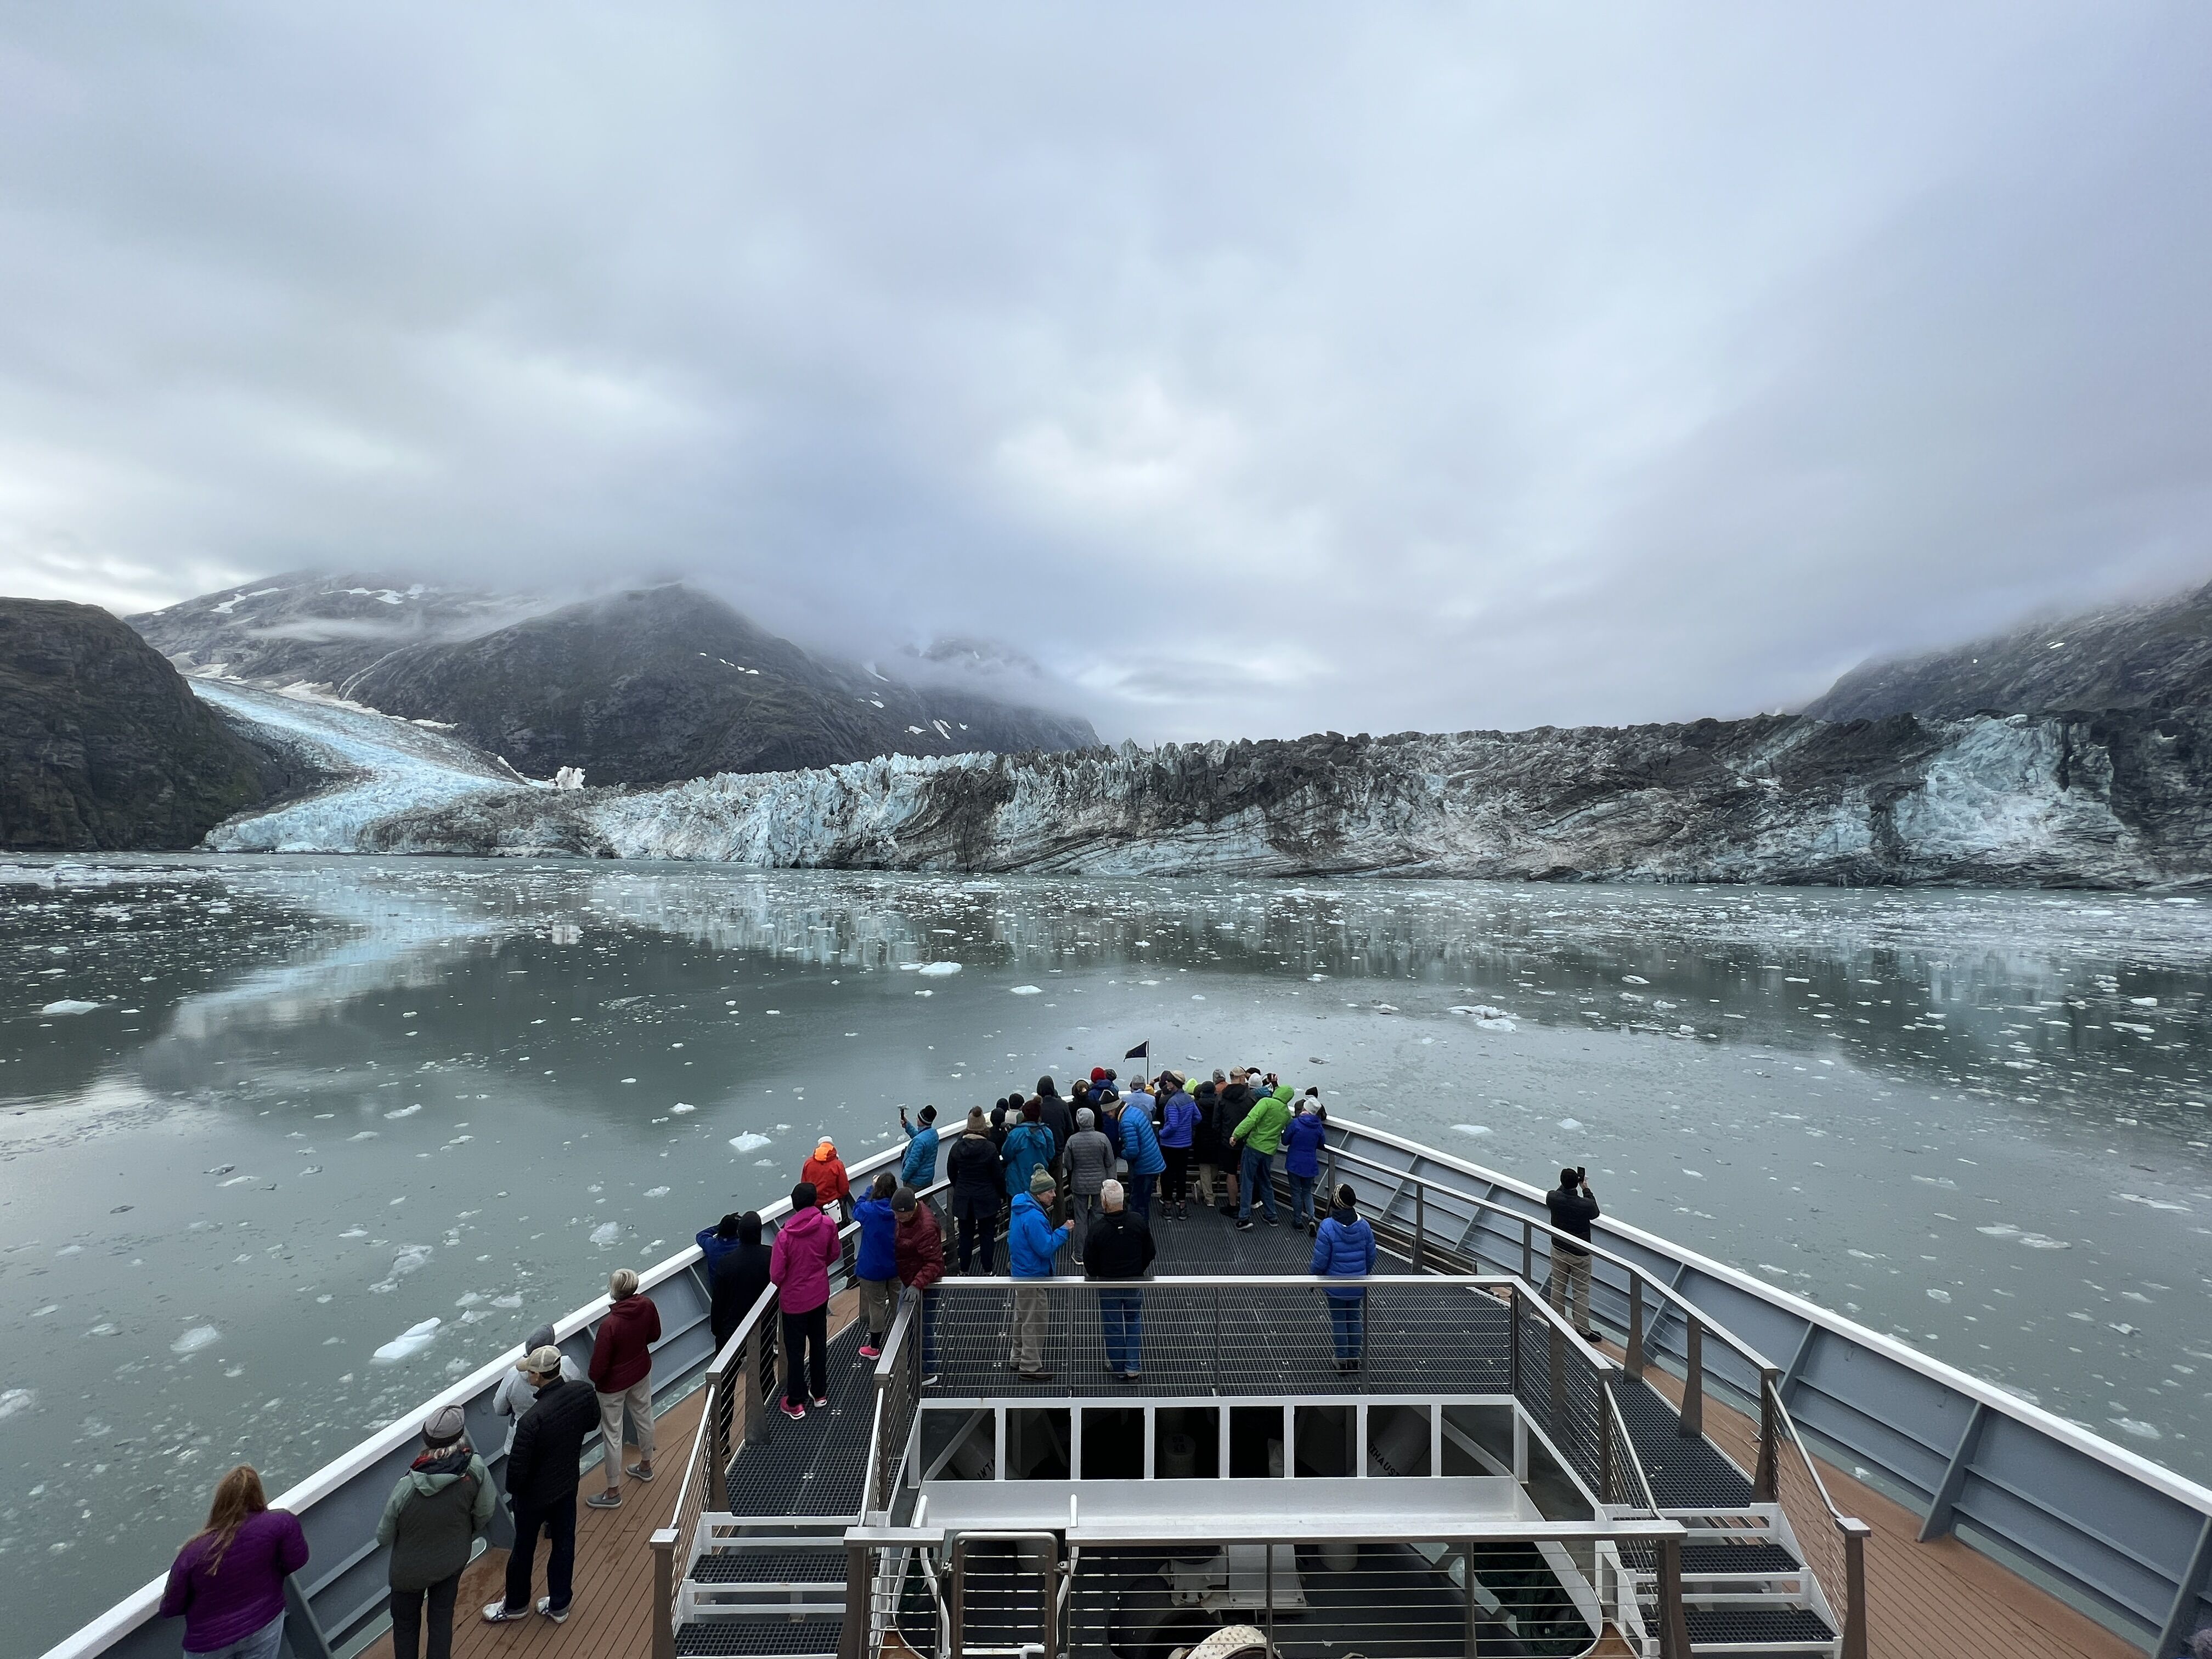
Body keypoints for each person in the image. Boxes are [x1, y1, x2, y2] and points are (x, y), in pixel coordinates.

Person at [485, 1344, 597, 1624]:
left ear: (537, 1376)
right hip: (567, 1483)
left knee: (523, 1550)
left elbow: (516, 1476)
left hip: (533, 1496)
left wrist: (519, 1492)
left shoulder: (531, 1421)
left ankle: (515, 1605)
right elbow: (592, 1423)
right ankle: (559, 1604)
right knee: (564, 1543)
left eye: (530, 1372)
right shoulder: (582, 1392)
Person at [377, 1406, 493, 1659]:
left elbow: (383, 1536)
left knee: (406, 1626)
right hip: (452, 1561)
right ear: (461, 1436)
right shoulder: (474, 1467)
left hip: (409, 1572)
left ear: (426, 1440)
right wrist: (464, 1532)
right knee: (441, 1619)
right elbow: (485, 1511)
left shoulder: (407, 1487)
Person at [160, 1466, 309, 1659]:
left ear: (220, 1501)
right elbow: (296, 1561)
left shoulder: (193, 1552)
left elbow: (171, 1607)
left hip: (209, 1642)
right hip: (264, 1621)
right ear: (258, 1492)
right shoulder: (281, 1523)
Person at [585, 1267, 660, 1508]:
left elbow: (598, 1368)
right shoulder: (647, 1305)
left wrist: (597, 1380)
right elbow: (655, 1335)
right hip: (640, 1371)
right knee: (644, 1416)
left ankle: (613, 1491)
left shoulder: (610, 1325)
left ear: (614, 1291)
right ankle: (646, 1465)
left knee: (613, 1434)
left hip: (613, 1387)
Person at [769, 1181, 840, 1417]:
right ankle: (820, 1393)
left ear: (794, 1204)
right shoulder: (827, 1224)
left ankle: (796, 1401)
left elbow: (776, 1275)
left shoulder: (784, 1237)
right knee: (819, 1344)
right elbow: (834, 1253)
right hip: (819, 1295)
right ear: (815, 1201)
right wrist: (817, 1269)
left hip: (794, 1302)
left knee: (795, 1351)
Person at [1084, 1178, 1156, 1380]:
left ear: (1104, 1202)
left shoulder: (1097, 1229)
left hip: (1108, 1283)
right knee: (1134, 1318)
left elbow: (1089, 1261)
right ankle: (1132, 1365)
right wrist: (1138, 1269)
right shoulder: (1138, 1222)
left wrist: (1098, 1274)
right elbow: (1150, 1252)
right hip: (1134, 1281)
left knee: (1113, 1323)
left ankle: (1118, 1367)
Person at [1007, 1168, 1071, 1380]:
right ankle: (1030, 1366)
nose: (1054, 1195)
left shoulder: (1021, 1206)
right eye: (1050, 1191)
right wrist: (1064, 1231)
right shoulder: (1034, 1217)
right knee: (1034, 1320)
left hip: (1021, 1272)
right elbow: (1045, 1247)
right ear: (1039, 1193)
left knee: (1022, 1317)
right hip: (1033, 1275)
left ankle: (1017, 1357)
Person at [1312, 1185, 1377, 1372]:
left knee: (1339, 1320)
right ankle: (1354, 1358)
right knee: (1354, 1318)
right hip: (1358, 1283)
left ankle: (1341, 1360)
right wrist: (1363, 1273)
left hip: (1336, 1285)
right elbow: (1371, 1255)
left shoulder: (1327, 1227)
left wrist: (1314, 1278)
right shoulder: (1364, 1226)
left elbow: (1320, 1259)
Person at [491, 1323, 582, 1455]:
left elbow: (499, 1409)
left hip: (524, 1440)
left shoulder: (513, 1375)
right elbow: (578, 1390)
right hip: (561, 1432)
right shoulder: (565, 1365)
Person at [893, 1183, 945, 1384]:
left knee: (924, 1327)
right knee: (906, 1324)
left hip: (921, 1283)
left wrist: (917, 1284)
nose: (897, 1219)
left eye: (900, 1215)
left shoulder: (926, 1228)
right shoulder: (911, 1218)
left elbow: (934, 1262)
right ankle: (910, 1363)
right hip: (911, 1278)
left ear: (909, 1211)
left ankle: (927, 1370)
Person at [1545, 1167, 1603, 1342]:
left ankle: (1556, 1322)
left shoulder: (1552, 1198)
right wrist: (1585, 1188)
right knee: (1581, 1292)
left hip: (1559, 1249)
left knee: (1558, 1286)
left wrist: (1567, 1185)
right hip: (1580, 1254)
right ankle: (1582, 1329)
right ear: (1577, 1182)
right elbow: (1595, 1212)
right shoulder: (1585, 1204)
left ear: (1561, 1182)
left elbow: (1558, 1193)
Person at [946, 1107, 1006, 1274]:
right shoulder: (990, 1148)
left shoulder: (957, 1148)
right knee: (987, 1235)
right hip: (986, 1198)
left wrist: (960, 1187)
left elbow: (951, 1173)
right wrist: (1001, 1194)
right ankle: (988, 1270)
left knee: (965, 1235)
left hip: (964, 1198)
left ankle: (964, 1270)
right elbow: (998, 1176)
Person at [708, 1214, 774, 1355]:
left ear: (740, 1233)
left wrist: (716, 1329)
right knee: (765, 1365)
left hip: (733, 1330)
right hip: (765, 1323)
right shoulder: (772, 1255)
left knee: (728, 1368)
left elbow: (718, 1301)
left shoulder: (726, 1263)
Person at [1231, 1081, 1292, 1229]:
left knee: (1247, 1181)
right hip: (1269, 1152)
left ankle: (1244, 1217)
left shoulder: (1266, 1102)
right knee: (1266, 1182)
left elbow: (1252, 1119)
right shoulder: (1286, 1113)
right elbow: (1287, 1132)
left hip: (1253, 1147)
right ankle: (1272, 1216)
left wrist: (1236, 1135)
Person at [855, 1171, 900, 1359]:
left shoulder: (869, 1210)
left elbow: (857, 1208)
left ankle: (874, 1348)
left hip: (872, 1268)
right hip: (896, 1265)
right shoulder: (899, 1210)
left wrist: (870, 1189)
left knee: (877, 1306)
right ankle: (904, 1338)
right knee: (899, 1302)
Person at [1062, 1105, 1115, 1261]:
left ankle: (1080, 1254)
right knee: (1099, 1216)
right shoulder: (1102, 1138)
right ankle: (1099, 1252)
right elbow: (1110, 1162)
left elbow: (1068, 1165)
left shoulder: (1072, 1141)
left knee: (1081, 1219)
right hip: (1099, 1183)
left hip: (1079, 1184)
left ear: (1079, 1122)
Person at [1113, 1089, 1166, 1218]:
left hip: (1144, 1166)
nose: (1109, 1116)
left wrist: (1121, 1152)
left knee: (1138, 1202)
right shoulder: (1134, 1111)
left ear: (1114, 1109)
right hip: (1151, 1161)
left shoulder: (1126, 1122)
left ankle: (1139, 1227)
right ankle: (1142, 1224)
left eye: (1109, 1112)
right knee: (1144, 1200)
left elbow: (1132, 1151)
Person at [1282, 1098, 1329, 1234]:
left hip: (1294, 1164)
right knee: (1307, 1192)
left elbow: (1285, 1141)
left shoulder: (1296, 1123)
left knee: (1296, 1192)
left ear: (1304, 1108)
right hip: (1310, 1165)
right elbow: (1322, 1143)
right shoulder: (1318, 1126)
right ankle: (1311, 1218)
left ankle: (1298, 1221)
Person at [1001, 1099, 1056, 1205]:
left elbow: (1006, 1155)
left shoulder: (1015, 1134)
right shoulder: (1046, 1132)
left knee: (1017, 1212)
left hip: (1017, 1185)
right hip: (1040, 1184)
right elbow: (1051, 1154)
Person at [1158, 1080, 1198, 1220]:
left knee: (1168, 1175)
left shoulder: (1172, 1102)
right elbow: (1198, 1117)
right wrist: (1186, 1127)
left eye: (1169, 1081)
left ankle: (1167, 1207)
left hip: (1170, 1144)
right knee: (1182, 1175)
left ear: (1174, 1084)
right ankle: (1182, 1206)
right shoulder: (1189, 1099)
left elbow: (1173, 1125)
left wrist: (1162, 1133)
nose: (1167, 1083)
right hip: (1185, 1143)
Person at [1190, 1077, 1224, 1210]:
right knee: (1215, 1168)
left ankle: (1209, 1198)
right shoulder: (1219, 1103)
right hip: (1217, 1140)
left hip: (1201, 1140)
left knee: (1205, 1170)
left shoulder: (1197, 1104)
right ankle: (1204, 1191)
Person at [802, 1138, 853, 1223]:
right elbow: (844, 1189)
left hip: (815, 1205)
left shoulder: (808, 1163)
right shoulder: (837, 1164)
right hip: (834, 1204)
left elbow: (804, 1185)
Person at [695, 1212, 749, 1280]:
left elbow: (701, 1235)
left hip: (718, 1287)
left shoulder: (711, 1245)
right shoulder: (744, 1245)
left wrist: (719, 1227)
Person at [898, 1104, 941, 1189]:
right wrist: (907, 1126)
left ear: (922, 1121)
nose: (917, 1119)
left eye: (919, 1118)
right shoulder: (933, 1134)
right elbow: (920, 1136)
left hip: (915, 1183)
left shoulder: (919, 1141)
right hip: (928, 1179)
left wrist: (904, 1177)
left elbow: (913, 1163)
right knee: (926, 1198)